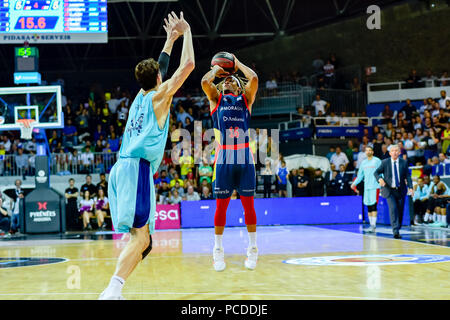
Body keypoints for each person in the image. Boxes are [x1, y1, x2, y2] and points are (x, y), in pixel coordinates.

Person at [100, 12, 194, 300]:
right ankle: (112, 290)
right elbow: (187, 65)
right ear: (157, 79)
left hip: (122, 168)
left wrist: (169, 40)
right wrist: (186, 32)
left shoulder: (139, 97)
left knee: (145, 241)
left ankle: (116, 288)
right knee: (140, 238)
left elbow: (161, 67)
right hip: (136, 169)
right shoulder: (157, 96)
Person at [201, 50, 259, 271]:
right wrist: (217, 69)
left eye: (231, 80)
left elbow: (253, 79)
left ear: (238, 86)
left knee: (248, 205)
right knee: (221, 207)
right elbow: (205, 81)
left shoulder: (246, 100)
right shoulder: (216, 100)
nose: (227, 82)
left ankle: (253, 249)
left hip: (244, 155)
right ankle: (217, 250)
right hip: (224, 156)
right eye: (224, 81)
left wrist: (237, 64)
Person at [374, 144, 413, 239]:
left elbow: (408, 176)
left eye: (397, 151)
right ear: (389, 153)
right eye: (393, 151)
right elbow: (376, 172)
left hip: (400, 190)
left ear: (399, 152)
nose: (395, 152)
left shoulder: (403, 162)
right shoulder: (385, 162)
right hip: (389, 190)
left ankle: (397, 227)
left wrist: (410, 187)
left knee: (400, 211)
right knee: (393, 209)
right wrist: (380, 179)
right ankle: (395, 231)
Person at [351, 145, 382, 233]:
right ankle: (371, 225)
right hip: (366, 187)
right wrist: (354, 184)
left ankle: (373, 225)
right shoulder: (363, 163)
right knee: (368, 206)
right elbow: (360, 176)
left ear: (372, 152)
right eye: (366, 150)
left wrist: (382, 182)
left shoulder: (377, 161)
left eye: (369, 150)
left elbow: (382, 172)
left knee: (373, 205)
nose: (368, 152)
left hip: (375, 186)